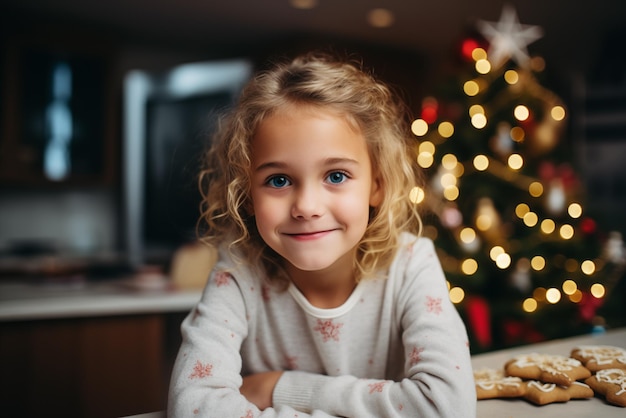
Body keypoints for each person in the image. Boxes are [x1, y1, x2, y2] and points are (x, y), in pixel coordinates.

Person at [168, 51, 476, 417]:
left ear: (377, 186)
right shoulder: (239, 273)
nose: (307, 206)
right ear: (247, 195)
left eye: (336, 176)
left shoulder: (411, 264)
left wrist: (282, 388)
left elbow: (447, 407)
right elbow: (193, 407)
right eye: (278, 180)